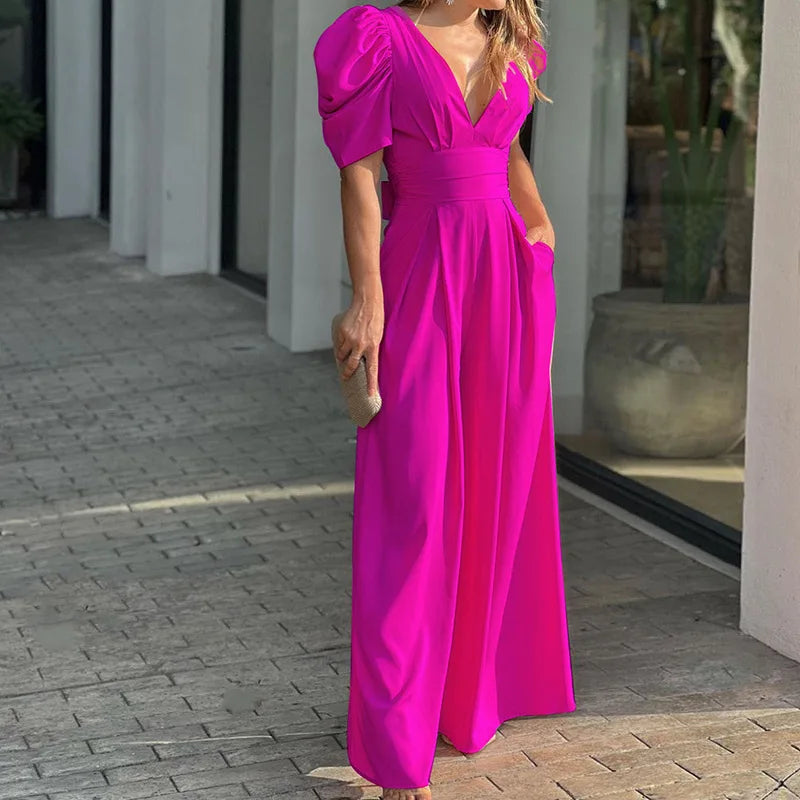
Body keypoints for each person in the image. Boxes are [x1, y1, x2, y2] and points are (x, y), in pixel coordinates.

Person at [313, 2, 576, 798]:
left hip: (507, 281)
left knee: (494, 491)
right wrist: (367, 298)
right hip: (422, 273)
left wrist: (539, 229)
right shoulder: (375, 38)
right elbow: (361, 174)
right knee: (415, 507)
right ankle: (398, 753)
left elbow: (509, 150)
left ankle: (462, 701)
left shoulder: (510, 42)